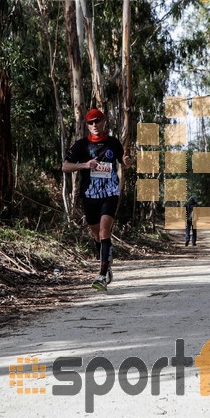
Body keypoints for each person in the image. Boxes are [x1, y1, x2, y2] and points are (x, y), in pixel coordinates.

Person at [62, 109, 134, 293]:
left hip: (110, 193)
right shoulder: (81, 145)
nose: (94, 125)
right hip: (89, 195)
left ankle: (101, 276)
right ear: (86, 125)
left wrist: (128, 161)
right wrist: (85, 165)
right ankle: (106, 264)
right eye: (90, 122)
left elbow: (124, 160)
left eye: (97, 121)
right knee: (97, 236)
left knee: (104, 231)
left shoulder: (113, 143)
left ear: (104, 122)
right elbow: (65, 166)